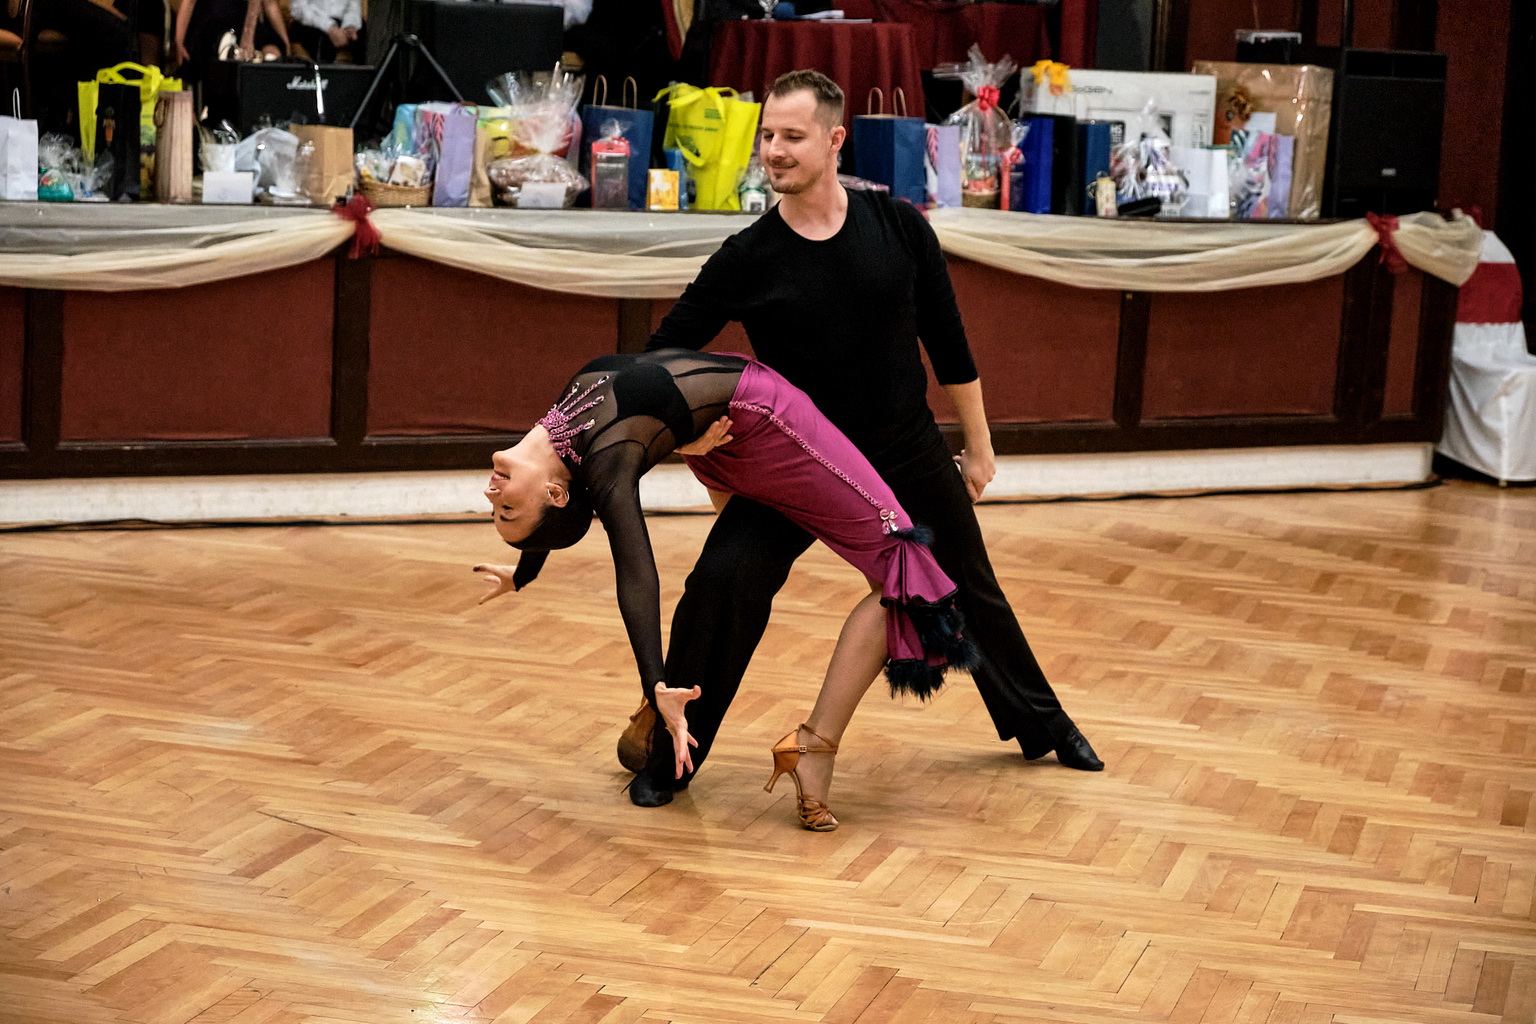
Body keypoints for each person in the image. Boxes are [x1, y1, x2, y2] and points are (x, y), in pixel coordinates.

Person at [623, 68, 1103, 808]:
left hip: (904, 444)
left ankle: (1047, 723)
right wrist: (688, 439)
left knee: (967, 584)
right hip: (796, 460)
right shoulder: (748, 256)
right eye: (767, 136)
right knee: (722, 582)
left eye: (792, 136)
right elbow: (661, 360)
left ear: (835, 140)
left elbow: (949, 344)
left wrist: (979, 446)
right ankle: (671, 755)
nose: (773, 150)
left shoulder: (899, 227)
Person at [473, 349, 978, 831]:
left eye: (500, 511)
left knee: (891, 573)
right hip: (757, 428)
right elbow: (637, 574)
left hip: (734, 434)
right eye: (506, 509)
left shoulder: (563, 441)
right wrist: (656, 684)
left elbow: (561, 506)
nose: (492, 495)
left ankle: (793, 741)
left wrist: (524, 571)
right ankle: (813, 747)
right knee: (904, 563)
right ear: (555, 493)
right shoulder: (600, 465)